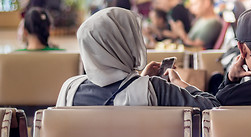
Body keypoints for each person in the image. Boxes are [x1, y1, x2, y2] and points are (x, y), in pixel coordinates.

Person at [56, 7, 219, 110]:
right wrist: (178, 83)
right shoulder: (154, 89)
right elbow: (213, 107)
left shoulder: (70, 89)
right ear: (125, 43)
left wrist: (140, 80)